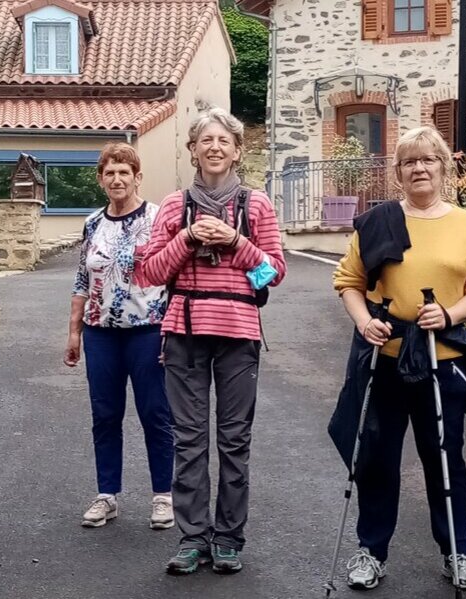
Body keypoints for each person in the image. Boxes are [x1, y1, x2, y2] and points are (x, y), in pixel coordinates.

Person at [328, 127, 466, 591]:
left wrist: (447, 314)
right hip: (386, 355)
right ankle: (371, 550)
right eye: (409, 162)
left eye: (428, 160)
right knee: (379, 458)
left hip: (443, 359)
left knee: (444, 459)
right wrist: (365, 323)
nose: (419, 168)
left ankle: (457, 552)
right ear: (398, 173)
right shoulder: (378, 221)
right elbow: (348, 281)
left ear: (444, 167)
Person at [135, 106, 286, 575]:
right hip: (182, 334)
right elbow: (147, 273)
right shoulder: (175, 206)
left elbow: (274, 273)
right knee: (189, 441)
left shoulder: (256, 204)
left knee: (234, 442)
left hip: (239, 337)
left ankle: (228, 538)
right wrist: (185, 238)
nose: (215, 148)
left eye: (224, 141)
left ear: (237, 151)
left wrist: (236, 241)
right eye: (206, 141)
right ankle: (192, 538)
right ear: (193, 150)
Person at [65, 143, 175, 530]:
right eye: (109, 173)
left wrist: (172, 331)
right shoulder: (93, 222)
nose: (117, 179)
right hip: (101, 333)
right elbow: (83, 277)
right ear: (100, 179)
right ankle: (106, 495)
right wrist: (74, 331)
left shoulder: (160, 219)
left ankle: (163, 496)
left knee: (155, 414)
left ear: (137, 177)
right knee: (106, 415)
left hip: (148, 331)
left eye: (124, 172)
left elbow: (176, 278)